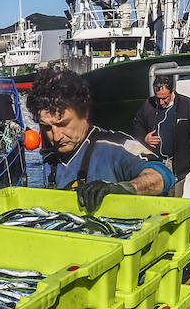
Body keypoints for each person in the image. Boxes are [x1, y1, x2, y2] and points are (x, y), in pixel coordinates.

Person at [27, 66, 172, 211]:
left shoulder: (115, 146)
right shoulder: (50, 158)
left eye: (63, 124)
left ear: (84, 113)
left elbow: (162, 176)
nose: (57, 137)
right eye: (47, 128)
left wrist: (121, 189)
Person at [131, 75, 190, 198]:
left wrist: (188, 156)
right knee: (153, 204)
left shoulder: (186, 105)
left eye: (165, 98)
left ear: (173, 90)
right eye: (158, 98)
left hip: (176, 166)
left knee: (173, 206)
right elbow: (137, 125)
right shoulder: (148, 104)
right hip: (154, 164)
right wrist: (144, 138)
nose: (161, 102)